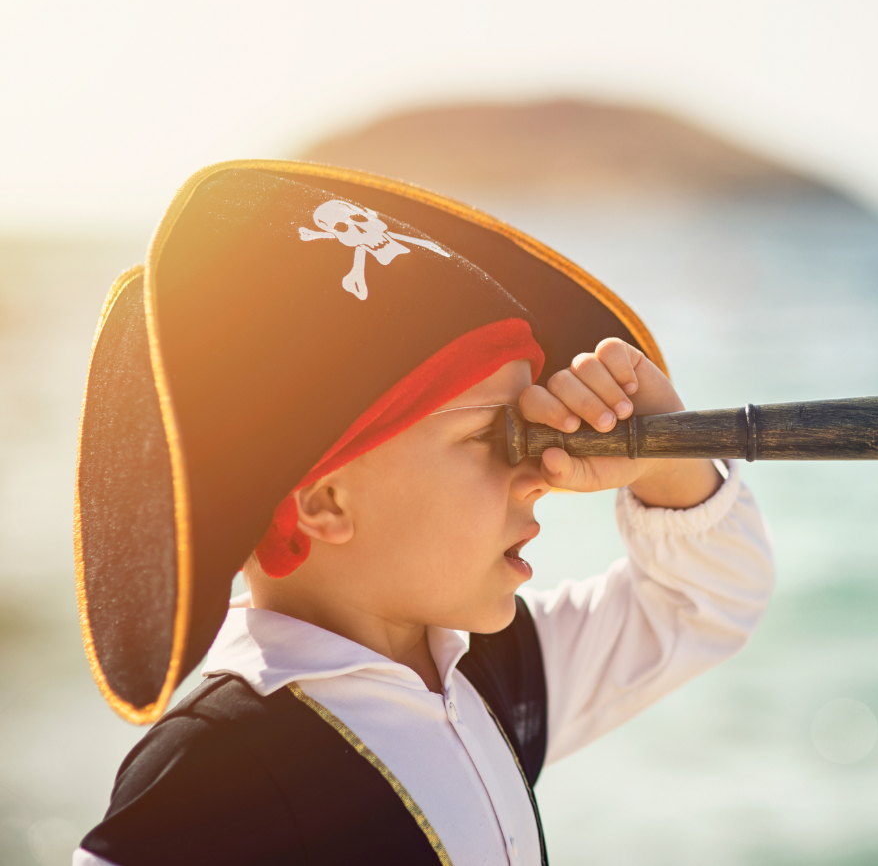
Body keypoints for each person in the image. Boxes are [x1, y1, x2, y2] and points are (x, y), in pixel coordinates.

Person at [71, 160, 775, 865]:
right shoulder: (209, 778)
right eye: (489, 438)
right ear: (324, 501)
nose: (538, 475)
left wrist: (665, 457)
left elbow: (705, 604)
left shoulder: (492, 676)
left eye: (531, 435)